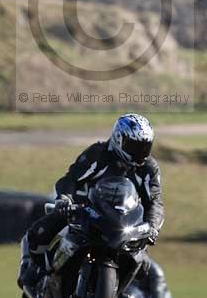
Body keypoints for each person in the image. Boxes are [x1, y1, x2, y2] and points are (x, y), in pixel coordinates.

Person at [18, 113, 164, 288]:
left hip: (122, 220)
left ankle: (114, 294)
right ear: (118, 139)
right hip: (85, 210)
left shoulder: (149, 168)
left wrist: (152, 225)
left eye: (144, 147)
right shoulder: (98, 154)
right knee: (41, 232)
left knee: (143, 265)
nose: (139, 153)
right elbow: (71, 179)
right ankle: (34, 267)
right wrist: (65, 200)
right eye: (133, 146)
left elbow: (154, 201)